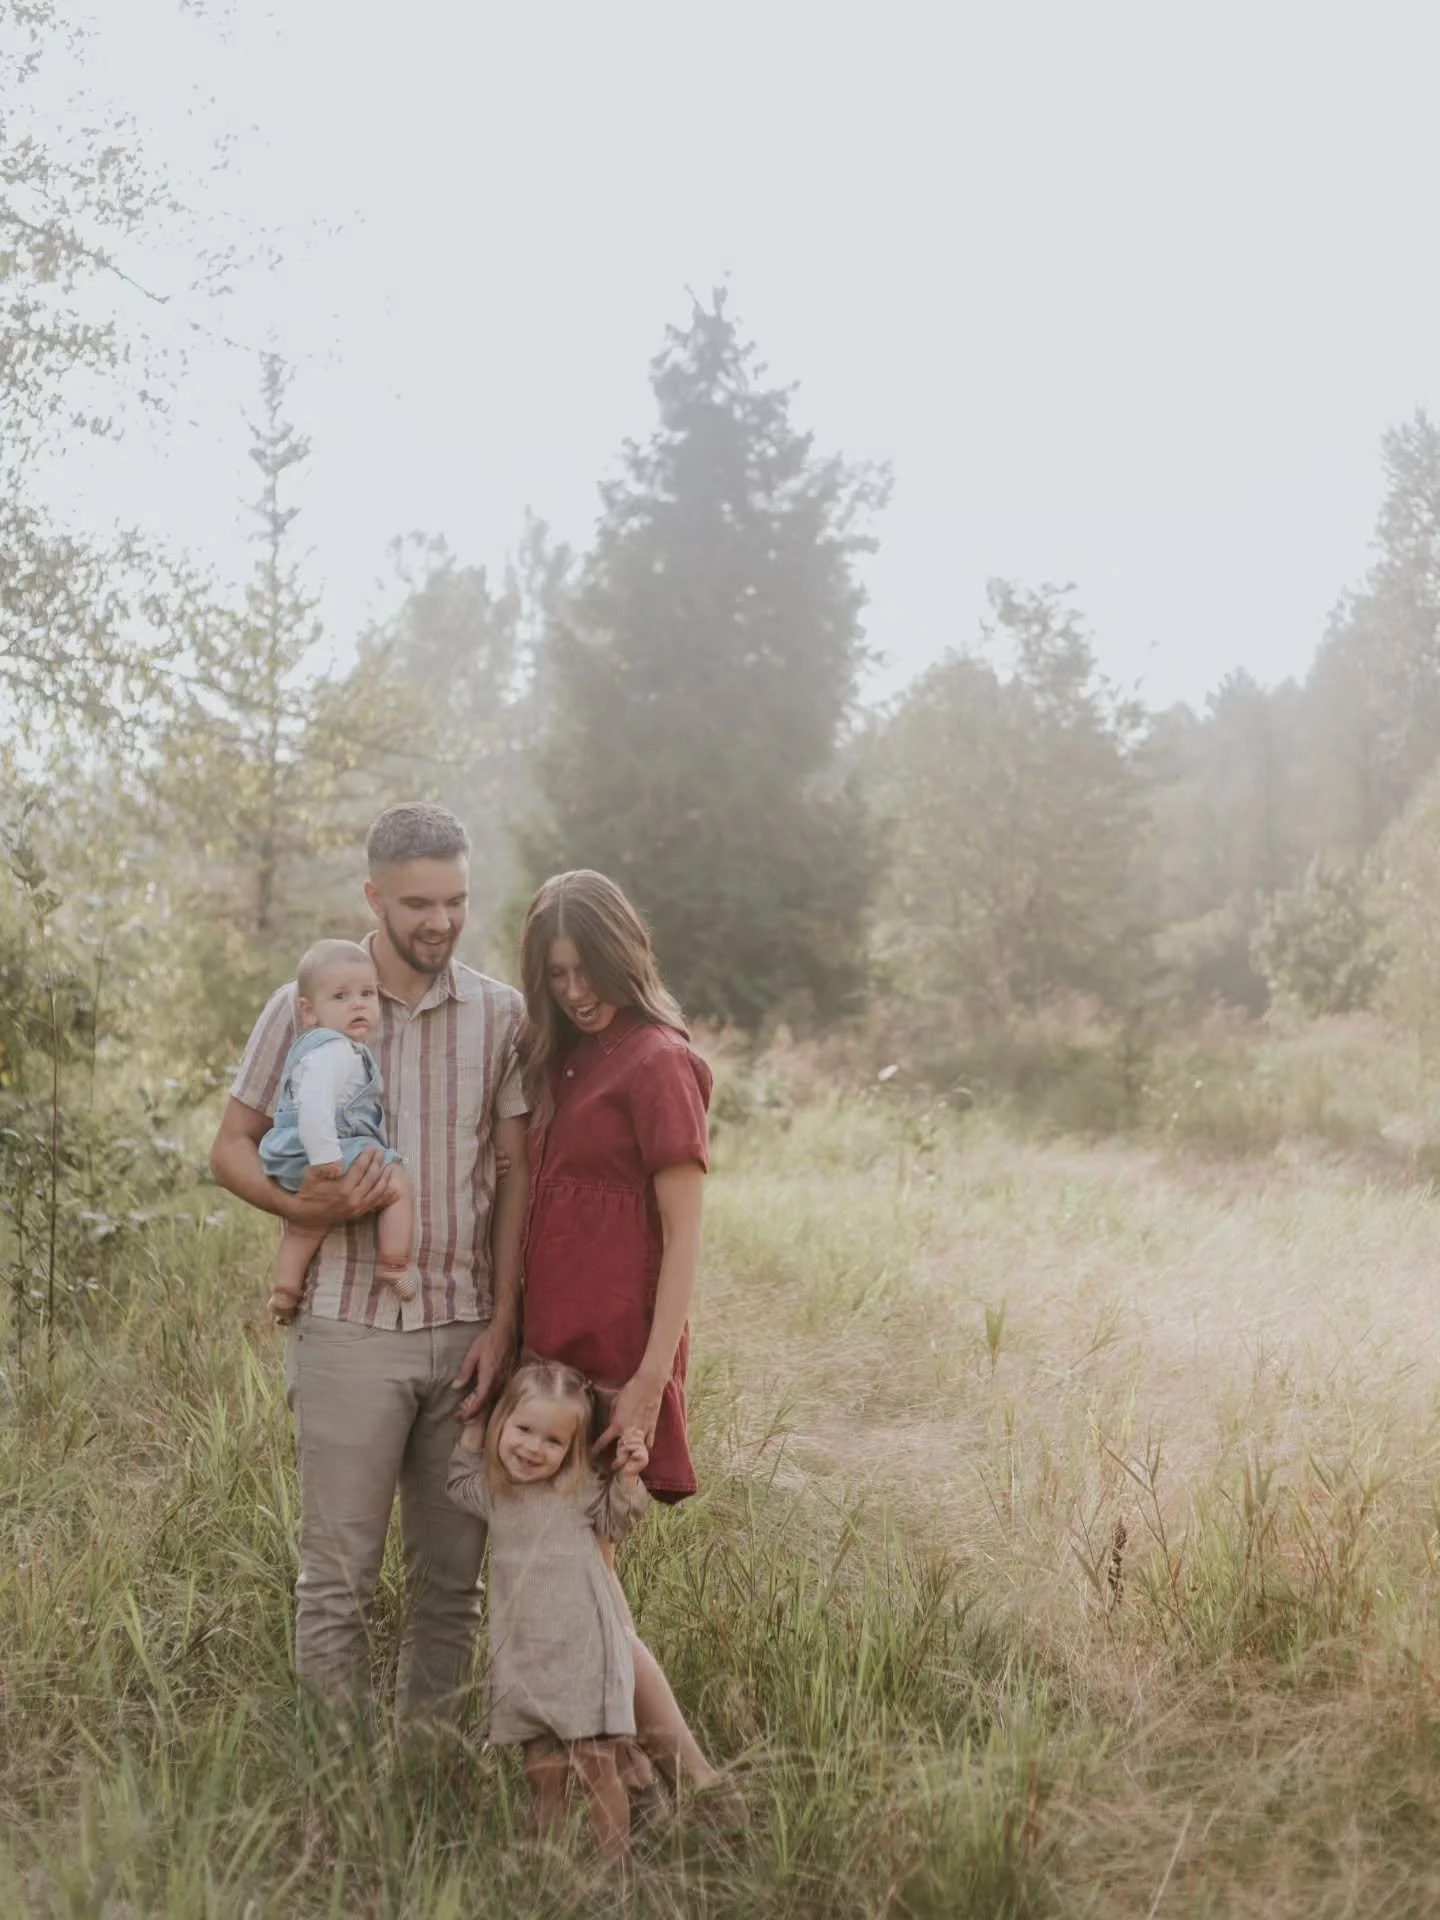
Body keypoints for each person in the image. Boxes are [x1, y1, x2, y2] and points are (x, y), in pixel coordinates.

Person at [210, 803, 529, 1723]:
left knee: (451, 1589)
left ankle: (426, 1776)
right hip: (348, 1326)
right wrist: (299, 1205)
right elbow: (230, 1146)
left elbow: (516, 1178)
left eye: (457, 901)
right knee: (336, 1580)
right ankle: (335, 1792)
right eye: (419, 902)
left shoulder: (500, 1014)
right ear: (374, 896)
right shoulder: (308, 1002)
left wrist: (504, 1323)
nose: (440, 921)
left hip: (466, 1331)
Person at [481, 867, 741, 1818]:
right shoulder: (561, 1060)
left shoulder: (659, 1061)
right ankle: (631, 1767)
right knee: (580, 1595)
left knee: (586, 1596)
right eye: (555, 974)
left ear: (623, 956)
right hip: (547, 1366)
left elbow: (684, 1242)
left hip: (612, 1365)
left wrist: (643, 1386)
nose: (575, 990)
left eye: (586, 968)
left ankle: (695, 1781)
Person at [445, 1358, 651, 1859]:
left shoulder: (577, 1488)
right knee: (542, 1773)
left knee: (595, 1763)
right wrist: (473, 1429)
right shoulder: (497, 1492)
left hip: (583, 1648)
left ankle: (614, 1875)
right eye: (523, 1429)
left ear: (572, 1449)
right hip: (525, 1653)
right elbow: (456, 1484)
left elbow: (618, 1523)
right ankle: (550, 1875)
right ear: (502, 1424)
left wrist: (628, 1475)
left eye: (553, 1441)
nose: (533, 1448)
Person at [258, 938, 414, 1325]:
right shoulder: (334, 1052)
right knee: (396, 1181)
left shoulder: (321, 1049)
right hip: (320, 1145)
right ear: (309, 1012)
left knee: (308, 1221)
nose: (358, 1004)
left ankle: (285, 1290)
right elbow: (313, 1105)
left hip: (294, 1149)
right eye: (341, 997)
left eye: (367, 994)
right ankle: (395, 1262)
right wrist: (326, 1155)